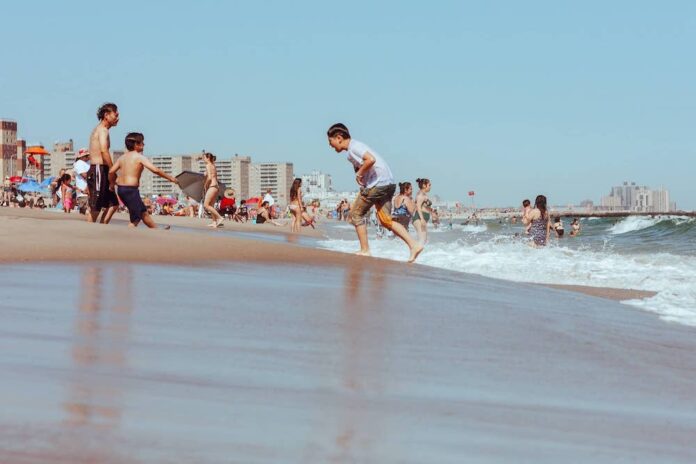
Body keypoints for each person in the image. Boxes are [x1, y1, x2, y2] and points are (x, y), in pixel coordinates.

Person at [327, 123, 423, 262]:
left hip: (379, 184)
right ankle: (414, 245)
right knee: (385, 220)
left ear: (339, 137)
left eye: (331, 141)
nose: (330, 145)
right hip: (388, 183)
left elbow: (370, 160)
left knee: (355, 214)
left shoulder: (354, 147)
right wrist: (361, 176)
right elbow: (365, 165)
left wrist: (359, 174)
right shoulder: (351, 152)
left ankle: (365, 250)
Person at [108, 132, 179, 228]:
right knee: (136, 218)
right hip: (130, 190)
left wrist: (112, 183)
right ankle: (125, 237)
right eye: (142, 142)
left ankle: (157, 230)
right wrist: (170, 178)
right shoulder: (139, 157)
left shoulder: (122, 158)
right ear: (136, 145)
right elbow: (155, 170)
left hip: (121, 189)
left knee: (143, 212)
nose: (144, 144)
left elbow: (111, 171)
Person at [87, 103, 120, 223]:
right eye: (115, 115)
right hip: (98, 169)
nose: (118, 118)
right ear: (106, 115)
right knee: (96, 206)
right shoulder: (102, 130)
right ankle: (88, 232)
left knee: (113, 204)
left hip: (102, 170)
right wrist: (112, 169)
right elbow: (104, 150)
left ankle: (102, 227)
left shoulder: (103, 130)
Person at [201, 152, 224, 227]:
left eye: (204, 158)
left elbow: (210, 178)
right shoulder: (213, 165)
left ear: (208, 158)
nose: (203, 159)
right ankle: (214, 222)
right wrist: (206, 173)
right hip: (216, 187)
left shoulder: (208, 165)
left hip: (212, 186)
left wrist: (205, 185)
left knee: (206, 205)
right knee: (211, 205)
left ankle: (219, 218)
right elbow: (213, 175)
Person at [412, 178, 433, 244]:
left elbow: (424, 206)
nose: (430, 187)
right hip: (419, 218)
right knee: (422, 240)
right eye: (429, 185)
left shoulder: (424, 195)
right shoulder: (420, 195)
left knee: (424, 240)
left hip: (422, 218)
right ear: (424, 185)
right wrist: (422, 219)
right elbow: (418, 207)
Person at [73, 148, 91, 215]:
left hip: (89, 191)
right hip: (83, 192)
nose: (89, 156)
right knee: (85, 212)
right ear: (84, 156)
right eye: (88, 155)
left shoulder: (88, 163)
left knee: (90, 211)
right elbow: (85, 176)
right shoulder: (79, 163)